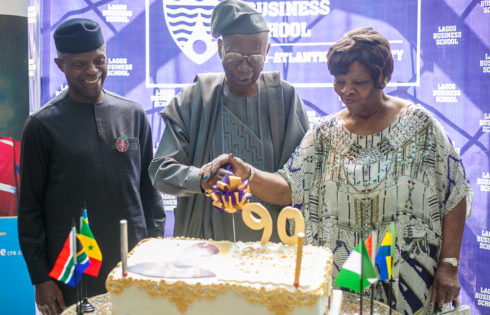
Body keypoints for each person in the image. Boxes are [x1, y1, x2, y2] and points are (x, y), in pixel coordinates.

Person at [201, 28, 472, 314]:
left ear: (383, 78)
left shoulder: (421, 128)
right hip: (345, 282)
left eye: (358, 82)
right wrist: (248, 174)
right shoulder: (324, 134)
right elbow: (289, 186)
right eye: (339, 81)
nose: (346, 91)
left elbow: (454, 194)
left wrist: (449, 265)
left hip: (405, 283)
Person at [17, 18, 165, 314]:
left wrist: (156, 248)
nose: (93, 71)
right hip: (73, 269)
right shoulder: (41, 126)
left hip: (131, 262)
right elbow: (30, 209)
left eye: (99, 61)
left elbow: (150, 192)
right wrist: (40, 279)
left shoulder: (133, 115)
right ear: (60, 65)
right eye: (79, 64)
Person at [149, 0, 309, 242]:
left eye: (254, 58)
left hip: (272, 246)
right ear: (220, 48)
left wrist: (253, 178)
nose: (244, 68)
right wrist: (202, 179)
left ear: (267, 51)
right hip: (208, 246)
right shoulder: (194, 100)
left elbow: (302, 179)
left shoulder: (284, 100)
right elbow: (161, 171)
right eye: (234, 56)